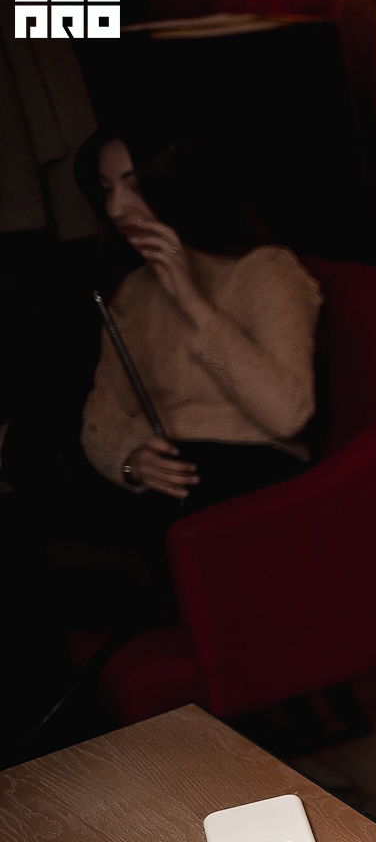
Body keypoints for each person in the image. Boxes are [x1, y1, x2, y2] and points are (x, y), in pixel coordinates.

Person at [61, 126, 321, 619]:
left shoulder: (266, 271)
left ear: (178, 184)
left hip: (255, 482)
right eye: (107, 189)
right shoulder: (133, 292)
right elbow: (102, 415)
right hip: (173, 482)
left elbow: (287, 415)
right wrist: (130, 460)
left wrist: (192, 302)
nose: (116, 209)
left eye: (134, 186)